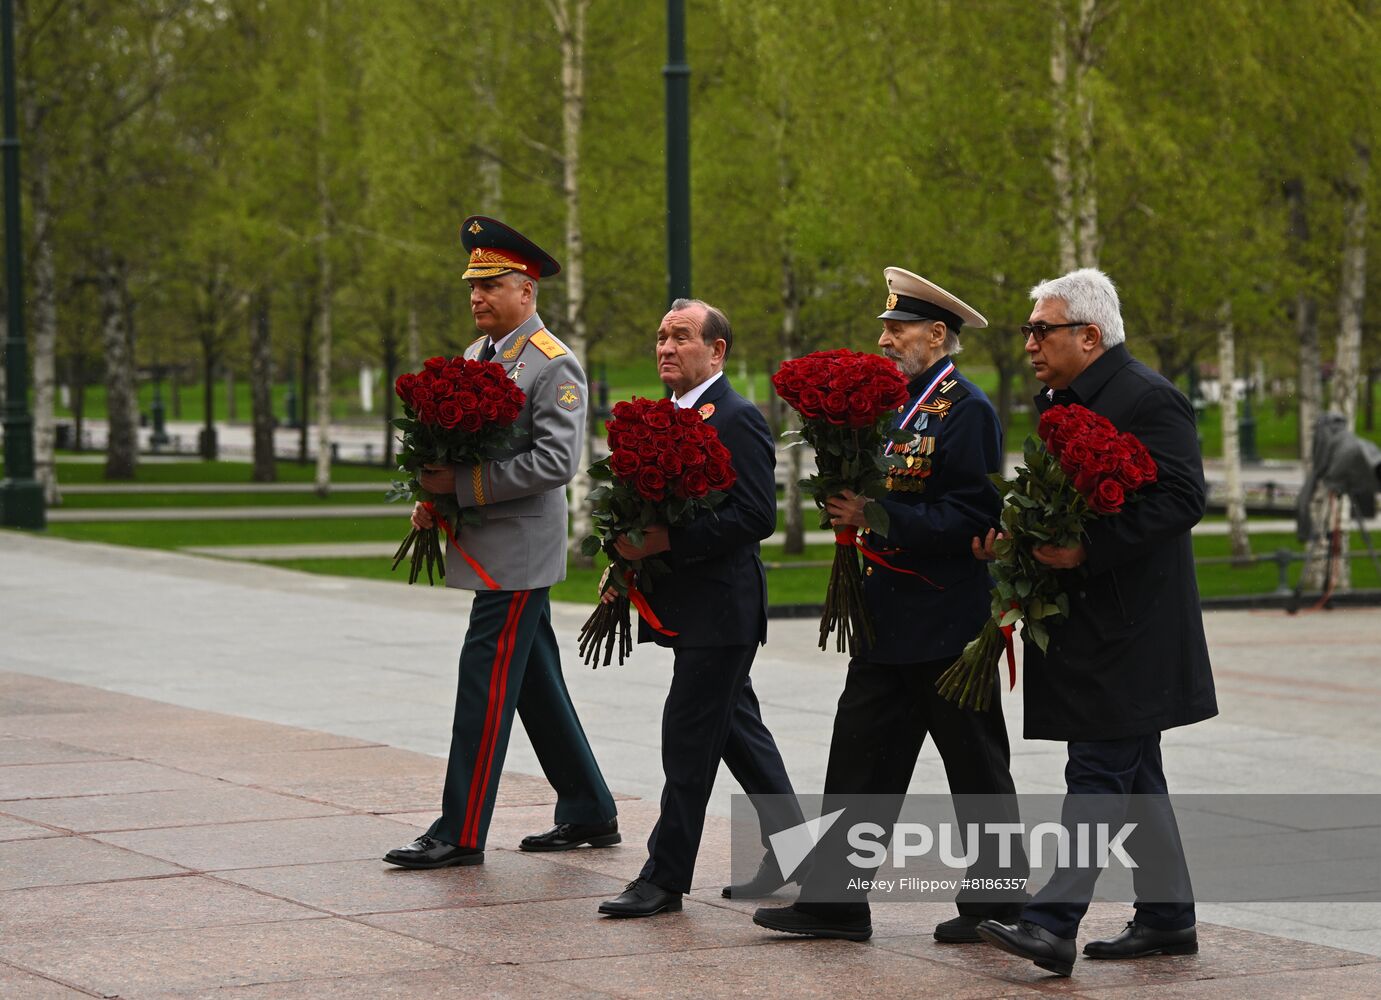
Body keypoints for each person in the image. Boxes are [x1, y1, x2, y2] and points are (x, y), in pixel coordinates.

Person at [754, 268, 1027, 944]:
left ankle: (998, 904)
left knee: (974, 767)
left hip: (943, 619)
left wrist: (876, 514)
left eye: (895, 328)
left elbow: (972, 515)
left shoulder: (966, 408)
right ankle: (835, 903)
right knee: (859, 759)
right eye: (884, 327)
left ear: (936, 335)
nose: (882, 338)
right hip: (884, 613)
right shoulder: (889, 405)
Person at [974, 267, 1217, 977]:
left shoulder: (1145, 397)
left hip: (1132, 627)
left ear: (1089, 334)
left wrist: (1087, 549)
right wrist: (1014, 543)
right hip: (1094, 619)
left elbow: (1182, 498)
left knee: (1098, 771)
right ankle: (1168, 916)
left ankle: (1052, 924)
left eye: (1039, 330)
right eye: (1027, 331)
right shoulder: (1065, 398)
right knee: (1132, 772)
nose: (1027, 344)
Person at [383, 216, 618, 869]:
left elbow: (555, 463)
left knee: (482, 685)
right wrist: (434, 501)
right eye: (472, 287)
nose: (477, 297)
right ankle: (588, 809)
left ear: (527, 292)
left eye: (491, 285)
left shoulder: (552, 365)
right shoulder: (474, 358)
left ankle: (458, 831)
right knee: (534, 682)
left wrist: (459, 487)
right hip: (487, 545)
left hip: (517, 555)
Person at [596, 298, 803, 918]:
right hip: (693, 608)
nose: (665, 347)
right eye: (660, 336)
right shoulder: (664, 417)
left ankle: (663, 877)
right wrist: (625, 561)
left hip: (722, 610)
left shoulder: (735, 417)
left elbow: (756, 515)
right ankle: (800, 853)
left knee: (687, 740)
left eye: (681, 337)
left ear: (716, 351)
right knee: (740, 737)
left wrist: (669, 542)